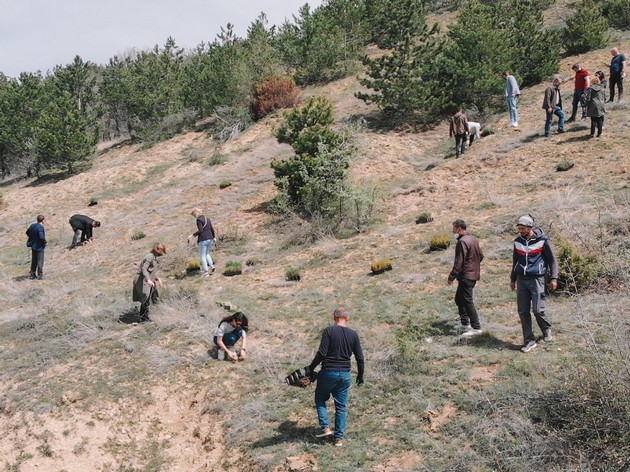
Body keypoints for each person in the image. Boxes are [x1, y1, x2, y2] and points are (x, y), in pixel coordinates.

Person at [309, 308, 364, 447]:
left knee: (320, 398)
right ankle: (338, 439)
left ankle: (326, 427)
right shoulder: (353, 334)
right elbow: (360, 357)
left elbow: (322, 353)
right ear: (347, 318)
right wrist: (360, 375)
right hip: (345, 375)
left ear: (334, 318)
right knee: (341, 406)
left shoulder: (329, 331)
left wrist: (310, 368)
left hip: (328, 372)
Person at [510, 215, 558, 353]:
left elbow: (552, 260)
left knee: (538, 310)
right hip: (521, 280)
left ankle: (546, 329)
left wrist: (554, 278)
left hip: (537, 279)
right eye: (519, 228)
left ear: (530, 227)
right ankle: (529, 341)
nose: (521, 231)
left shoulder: (543, 240)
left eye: (523, 228)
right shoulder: (517, 241)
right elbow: (515, 261)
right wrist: (513, 279)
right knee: (523, 311)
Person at [448, 219, 484, 336]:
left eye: (454, 229)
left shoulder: (462, 242)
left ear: (459, 229)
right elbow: (481, 256)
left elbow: (459, 262)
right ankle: (464, 323)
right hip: (472, 274)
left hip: (466, 276)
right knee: (459, 299)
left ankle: (476, 327)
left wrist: (452, 276)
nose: (453, 231)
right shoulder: (473, 239)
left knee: (467, 301)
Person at [132, 243, 166, 321]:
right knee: (146, 298)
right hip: (142, 280)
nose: (162, 252)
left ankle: (145, 317)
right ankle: (144, 318)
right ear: (157, 249)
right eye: (161, 250)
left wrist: (158, 279)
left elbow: (151, 271)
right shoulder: (150, 256)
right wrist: (148, 280)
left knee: (152, 297)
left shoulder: (153, 257)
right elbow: (144, 269)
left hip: (148, 280)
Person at [188, 208, 216, 277]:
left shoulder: (199, 220)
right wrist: (214, 237)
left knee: (202, 255)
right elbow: (212, 229)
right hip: (210, 238)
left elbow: (200, 231)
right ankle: (212, 266)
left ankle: (206, 272)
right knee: (207, 253)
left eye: (194, 215)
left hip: (203, 239)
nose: (194, 216)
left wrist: (192, 235)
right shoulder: (207, 219)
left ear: (196, 213)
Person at [26, 214, 46, 280]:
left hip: (33, 245)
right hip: (39, 246)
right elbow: (41, 237)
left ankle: (32, 274)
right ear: (42, 220)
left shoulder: (32, 225)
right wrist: (44, 242)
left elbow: (27, 232)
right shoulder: (40, 227)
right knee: (40, 261)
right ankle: (40, 275)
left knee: (34, 260)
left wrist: (32, 238)